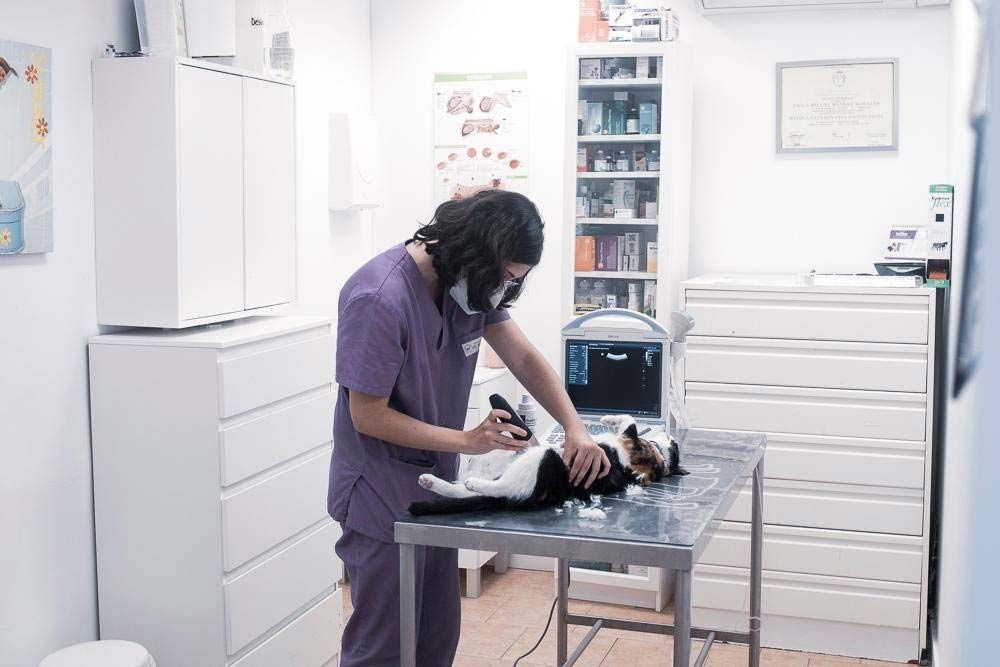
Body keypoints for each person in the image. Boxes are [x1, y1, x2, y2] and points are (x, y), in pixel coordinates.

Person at [328, 189, 611, 666]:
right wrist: (467, 441)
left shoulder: (466, 284)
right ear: (474, 252)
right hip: (378, 492)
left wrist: (575, 427)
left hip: (436, 488)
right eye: (504, 277)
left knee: (436, 636)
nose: (504, 289)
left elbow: (522, 356)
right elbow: (367, 415)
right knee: (384, 646)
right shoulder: (379, 298)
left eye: (514, 280)